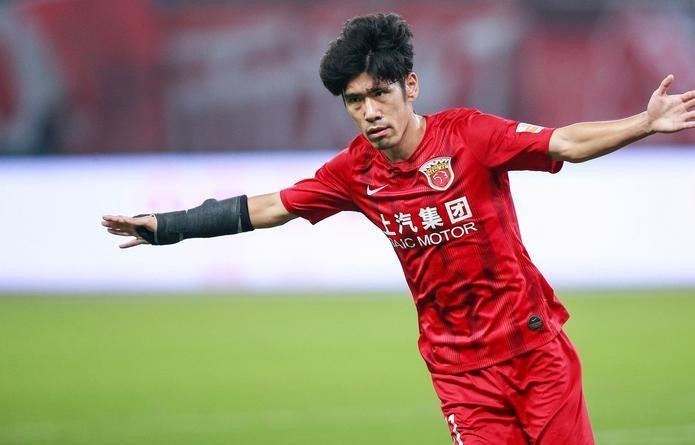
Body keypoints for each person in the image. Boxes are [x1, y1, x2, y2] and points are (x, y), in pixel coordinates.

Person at [102, 13, 695, 445]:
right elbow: (270, 207)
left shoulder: (470, 135)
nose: (369, 112)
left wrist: (642, 124)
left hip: (534, 353)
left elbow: (563, 141)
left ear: (410, 86)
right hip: (459, 373)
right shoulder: (354, 171)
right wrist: (170, 227)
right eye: (354, 101)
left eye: (379, 94)